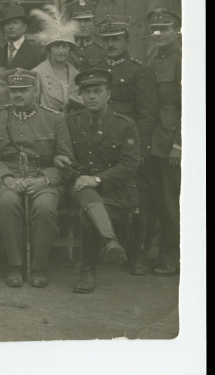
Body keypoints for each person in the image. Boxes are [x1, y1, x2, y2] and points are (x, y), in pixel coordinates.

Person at [0, 69, 74, 288]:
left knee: (44, 207)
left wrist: (44, 179)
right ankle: (14, 265)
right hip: (10, 177)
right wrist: (5, 178)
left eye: (24, 90)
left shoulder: (54, 118)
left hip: (44, 180)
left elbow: (67, 160)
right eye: (14, 91)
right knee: (6, 202)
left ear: (35, 90)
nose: (18, 95)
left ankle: (39, 267)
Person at [64, 68, 139, 294]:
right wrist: (64, 163)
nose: (92, 97)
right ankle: (108, 244)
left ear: (109, 94)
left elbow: (130, 165)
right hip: (79, 185)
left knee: (89, 212)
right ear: (81, 96)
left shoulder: (124, 125)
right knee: (85, 193)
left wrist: (97, 179)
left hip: (115, 189)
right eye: (87, 92)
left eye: (98, 91)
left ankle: (89, 270)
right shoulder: (70, 122)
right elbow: (62, 154)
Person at [96, 15, 159, 275]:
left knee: (140, 198)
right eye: (107, 40)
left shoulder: (139, 70)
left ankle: (140, 253)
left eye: (116, 40)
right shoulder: (96, 68)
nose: (111, 44)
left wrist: (140, 150)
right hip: (101, 143)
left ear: (126, 41)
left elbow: (147, 114)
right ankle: (108, 247)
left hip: (129, 144)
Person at [145, 8, 181, 277]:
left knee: (171, 202)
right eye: (155, 29)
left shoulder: (183, 60)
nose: (158, 34)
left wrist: (179, 144)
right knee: (157, 199)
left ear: (177, 30)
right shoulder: (154, 58)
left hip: (172, 142)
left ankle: (172, 258)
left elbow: (189, 104)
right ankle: (157, 254)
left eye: (165, 28)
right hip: (155, 140)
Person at [30, 10, 81, 113]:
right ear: (49, 50)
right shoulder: (38, 72)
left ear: (70, 49)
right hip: (46, 124)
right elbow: (32, 105)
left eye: (65, 46)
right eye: (56, 46)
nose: (61, 51)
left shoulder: (76, 74)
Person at [0, 5, 46, 70]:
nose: (11, 26)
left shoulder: (37, 54)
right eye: (7, 23)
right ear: (4, 28)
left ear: (24, 27)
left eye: (15, 22)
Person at [66, 0, 105, 70]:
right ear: (69, 22)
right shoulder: (61, 49)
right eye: (77, 20)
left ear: (94, 22)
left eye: (87, 20)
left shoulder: (102, 50)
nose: (82, 25)